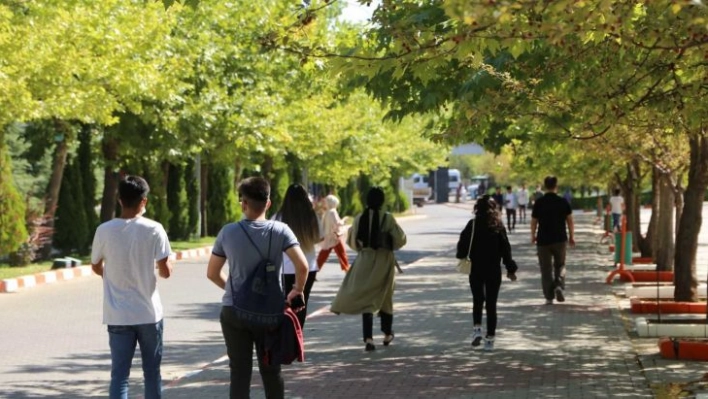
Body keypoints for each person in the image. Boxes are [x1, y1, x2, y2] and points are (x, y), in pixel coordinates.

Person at [206, 177, 309, 399]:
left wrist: (235, 291)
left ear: (243, 203)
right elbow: (302, 266)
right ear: (268, 203)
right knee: (271, 370)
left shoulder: (228, 232)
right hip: (270, 312)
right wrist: (297, 290)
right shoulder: (281, 231)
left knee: (240, 372)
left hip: (234, 311)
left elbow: (212, 273)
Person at [90, 175, 173, 399]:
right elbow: (165, 272)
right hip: (149, 313)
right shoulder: (155, 229)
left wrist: (113, 276)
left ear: (119, 200)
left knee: (119, 375)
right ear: (143, 201)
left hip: (117, 315)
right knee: (152, 373)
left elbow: (95, 265)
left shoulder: (104, 230)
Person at [330, 187, 406, 352]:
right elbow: (400, 240)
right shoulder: (388, 218)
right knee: (385, 297)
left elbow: (352, 242)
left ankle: (368, 338)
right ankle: (387, 333)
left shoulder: (359, 218)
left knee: (367, 298)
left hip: (364, 259)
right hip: (384, 260)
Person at [456, 195, 517, 351]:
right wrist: (510, 268)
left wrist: (463, 255)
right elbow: (506, 250)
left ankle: (477, 329)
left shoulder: (473, 225)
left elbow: (462, 246)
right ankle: (489, 339)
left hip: (475, 268)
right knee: (491, 304)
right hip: (493, 270)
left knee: (477, 300)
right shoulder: (498, 226)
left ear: (477, 209)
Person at [274, 184, 321, 329]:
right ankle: (298, 337)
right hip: (309, 267)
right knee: (302, 302)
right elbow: (319, 237)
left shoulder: (279, 217)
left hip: (286, 269)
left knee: (285, 306)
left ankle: (288, 341)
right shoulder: (312, 217)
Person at [530, 176, 575, 305]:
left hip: (543, 240)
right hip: (560, 239)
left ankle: (549, 297)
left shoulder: (539, 203)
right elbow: (570, 221)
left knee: (545, 268)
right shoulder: (563, 202)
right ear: (556, 186)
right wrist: (572, 236)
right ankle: (559, 285)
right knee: (560, 265)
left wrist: (533, 235)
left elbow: (534, 222)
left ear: (545, 186)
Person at [316, 194, 350, 272]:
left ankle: (315, 269)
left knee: (323, 254)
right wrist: (344, 220)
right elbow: (337, 223)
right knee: (342, 253)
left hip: (328, 236)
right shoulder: (333, 212)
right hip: (335, 236)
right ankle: (346, 268)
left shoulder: (327, 212)